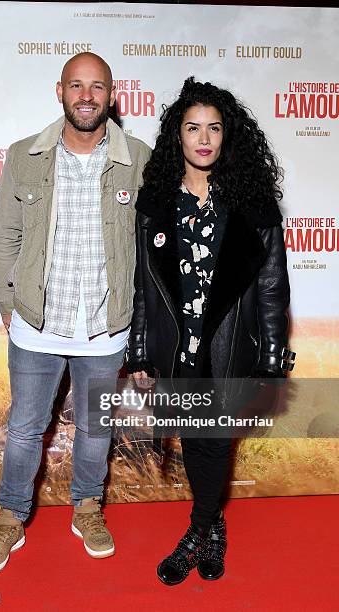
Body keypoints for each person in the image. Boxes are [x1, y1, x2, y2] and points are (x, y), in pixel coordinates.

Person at [0, 52, 150, 574]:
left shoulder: (137, 158)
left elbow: (149, 246)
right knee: (26, 428)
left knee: (96, 429)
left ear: (111, 95)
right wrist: (8, 304)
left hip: (104, 326)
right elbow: (5, 235)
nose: (86, 96)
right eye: (77, 85)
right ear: (60, 91)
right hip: (36, 324)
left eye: (97, 87)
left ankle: (88, 508)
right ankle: (9, 519)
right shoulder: (24, 156)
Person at [127, 77, 294, 585]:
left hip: (228, 344)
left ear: (227, 136)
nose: (204, 138)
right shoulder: (155, 201)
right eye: (193, 127)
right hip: (176, 344)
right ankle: (214, 527)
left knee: (216, 439)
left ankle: (197, 532)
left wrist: (270, 357)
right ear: (176, 135)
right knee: (196, 440)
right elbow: (143, 284)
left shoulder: (253, 202)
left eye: (214, 128)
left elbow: (271, 286)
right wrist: (137, 352)